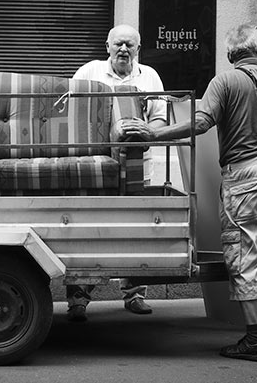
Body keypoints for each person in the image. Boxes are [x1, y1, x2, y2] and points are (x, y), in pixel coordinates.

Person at [122, 23, 257, 362]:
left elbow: (201, 122)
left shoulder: (224, 81)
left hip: (243, 175)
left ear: (230, 55)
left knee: (245, 253)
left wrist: (153, 134)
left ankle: (254, 341)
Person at [66, 24, 168, 322]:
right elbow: (69, 112)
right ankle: (78, 300)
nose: (124, 50)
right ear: (107, 46)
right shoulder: (89, 72)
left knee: (136, 229)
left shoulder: (149, 76)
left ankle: (135, 295)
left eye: (130, 45)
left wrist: (146, 131)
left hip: (138, 167)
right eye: (119, 44)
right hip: (95, 169)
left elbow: (160, 120)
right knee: (86, 229)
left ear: (139, 49)